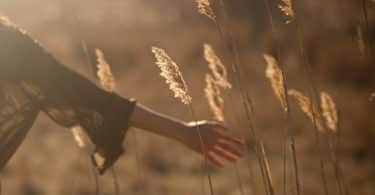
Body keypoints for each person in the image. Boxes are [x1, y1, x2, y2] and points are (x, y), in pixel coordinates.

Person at [0, 17, 245, 175]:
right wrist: (182, 131)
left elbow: (91, 98)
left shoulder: (10, 46)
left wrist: (183, 131)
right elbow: (93, 98)